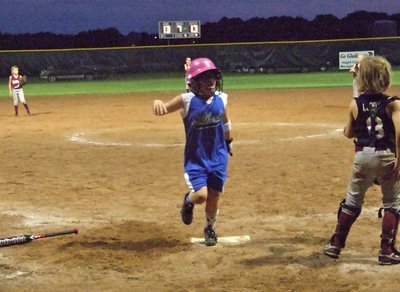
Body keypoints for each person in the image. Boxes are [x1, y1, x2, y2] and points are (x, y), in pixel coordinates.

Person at [323, 55, 400, 265]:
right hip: (386, 156)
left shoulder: (355, 104)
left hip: (362, 156)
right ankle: (386, 251)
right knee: (393, 203)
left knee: (352, 200)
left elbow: (349, 133)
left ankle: (336, 244)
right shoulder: (393, 104)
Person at [153, 57, 233, 246]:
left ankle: (209, 228)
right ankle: (188, 201)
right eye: (204, 79)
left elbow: (226, 122)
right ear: (194, 83)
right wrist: (157, 101)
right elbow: (163, 109)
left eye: (212, 77)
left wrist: (229, 141)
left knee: (214, 197)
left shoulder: (222, 98)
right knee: (201, 196)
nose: (210, 82)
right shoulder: (186, 100)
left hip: (218, 156)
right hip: (196, 159)